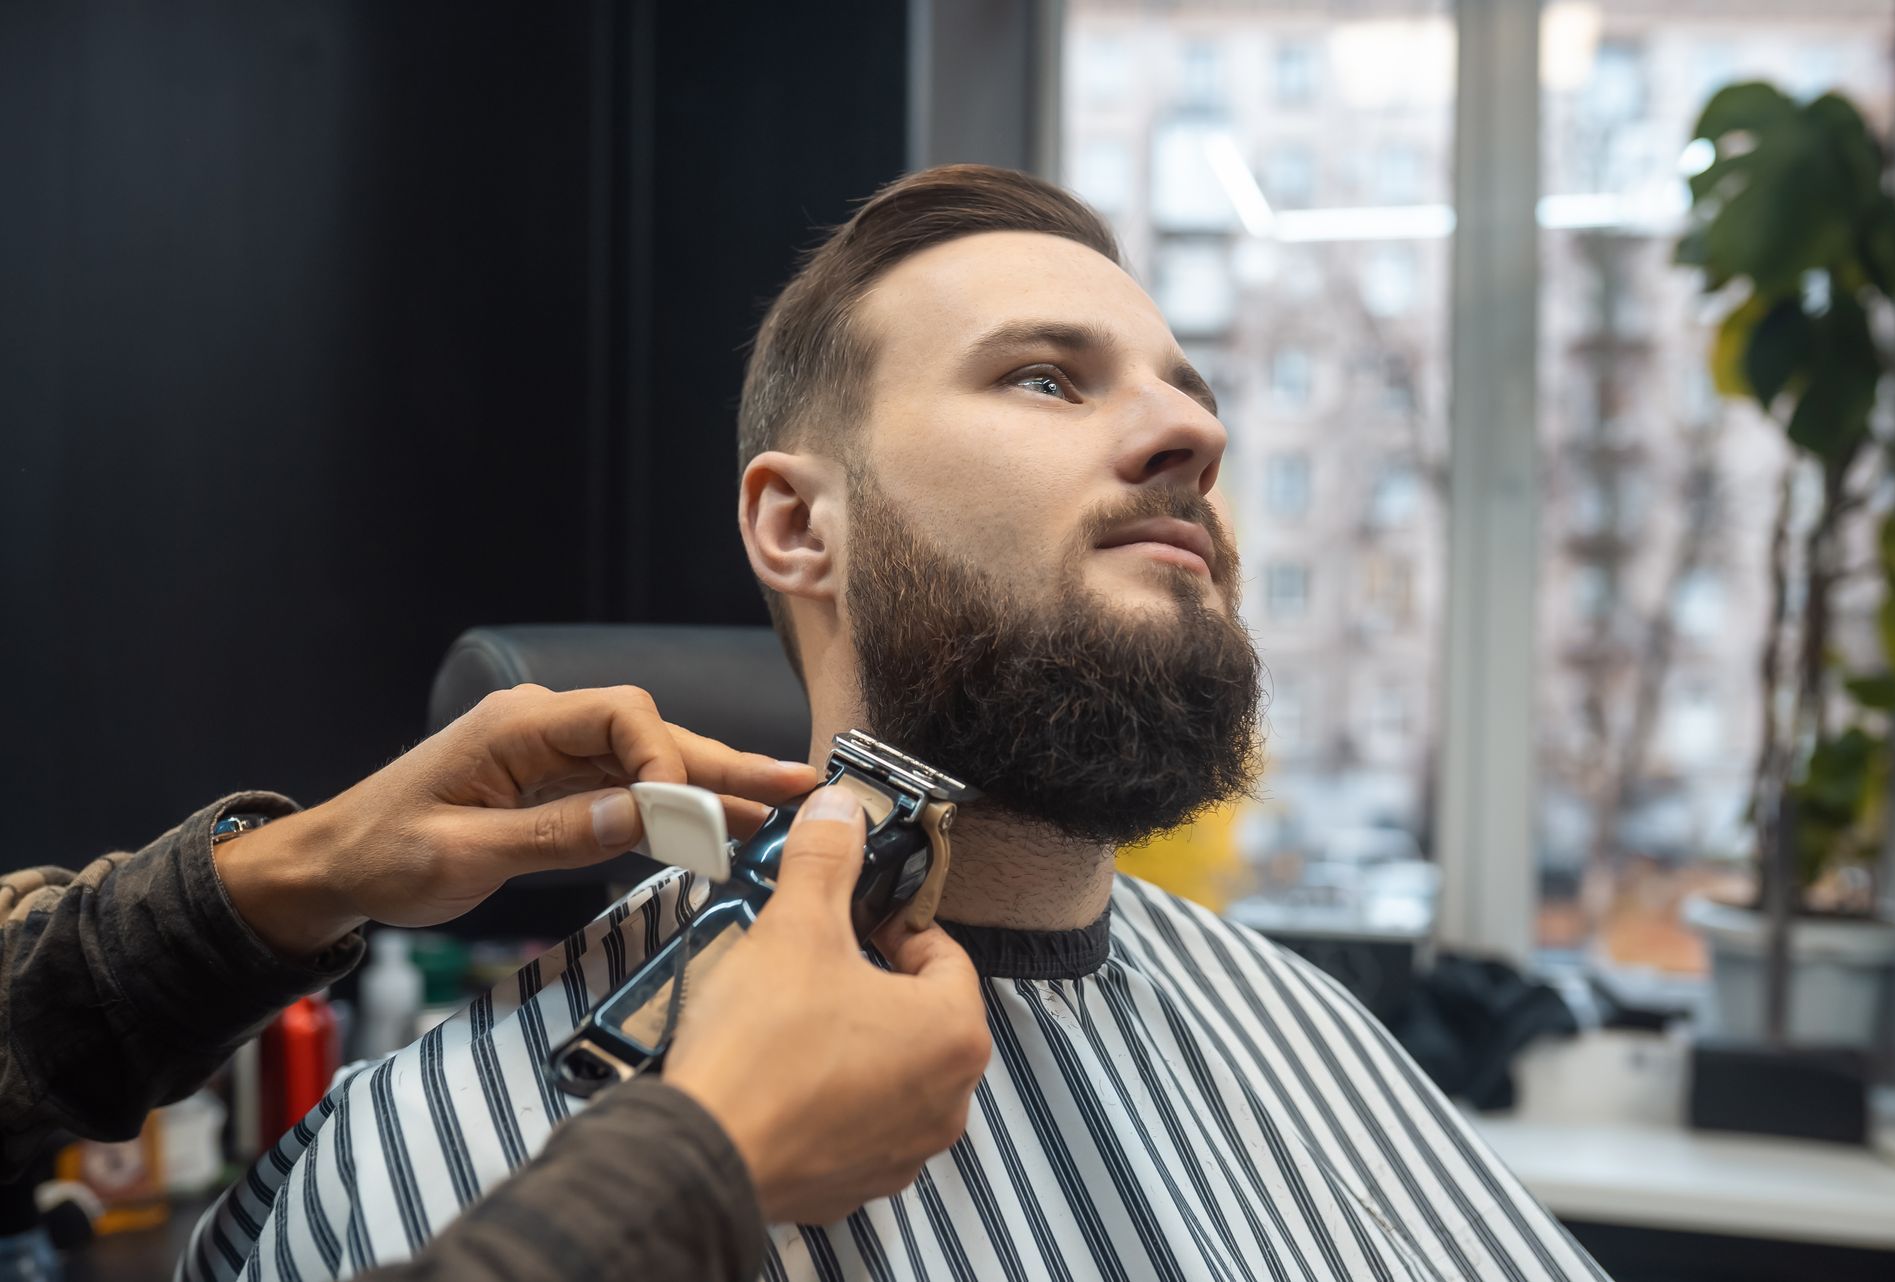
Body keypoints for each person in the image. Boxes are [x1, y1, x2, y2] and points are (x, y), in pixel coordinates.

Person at [191, 165, 1610, 1282]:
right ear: (800, 523)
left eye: (1191, 391)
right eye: (1046, 376)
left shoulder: (1303, 1028)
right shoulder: (459, 1164)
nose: (1194, 437)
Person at [0, 684, 987, 1282]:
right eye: (1042, 381)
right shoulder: (387, 1150)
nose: (1153, 417)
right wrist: (703, 1156)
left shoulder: (1154, 952)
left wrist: (307, 864)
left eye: (1155, 371)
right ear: (794, 523)